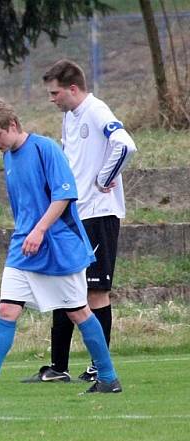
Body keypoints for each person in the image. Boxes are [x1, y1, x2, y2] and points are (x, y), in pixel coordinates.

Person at [0, 98, 122, 396]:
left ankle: (109, 378)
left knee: (79, 312)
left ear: (13, 125)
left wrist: (40, 229)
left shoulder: (46, 149)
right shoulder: (8, 157)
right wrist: (27, 233)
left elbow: (64, 196)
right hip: (24, 247)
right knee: (7, 309)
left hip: (59, 246)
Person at [23, 60, 137, 384]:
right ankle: (58, 367)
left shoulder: (96, 110)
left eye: (55, 92)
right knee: (65, 286)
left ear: (73, 89)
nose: (52, 99)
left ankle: (98, 367)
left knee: (96, 293)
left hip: (98, 214)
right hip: (75, 215)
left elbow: (125, 144)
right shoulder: (69, 118)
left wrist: (105, 178)